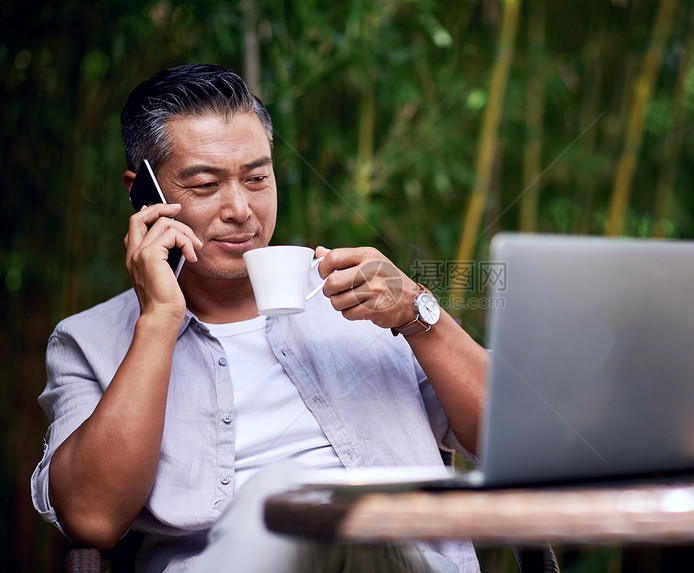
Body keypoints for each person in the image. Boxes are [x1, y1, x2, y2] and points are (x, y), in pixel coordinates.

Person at [31, 64, 487, 572]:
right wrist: (159, 319)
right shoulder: (88, 341)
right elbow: (92, 518)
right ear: (143, 195)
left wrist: (420, 315)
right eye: (205, 185)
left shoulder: (363, 296)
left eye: (257, 178)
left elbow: (515, 444)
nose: (241, 209)